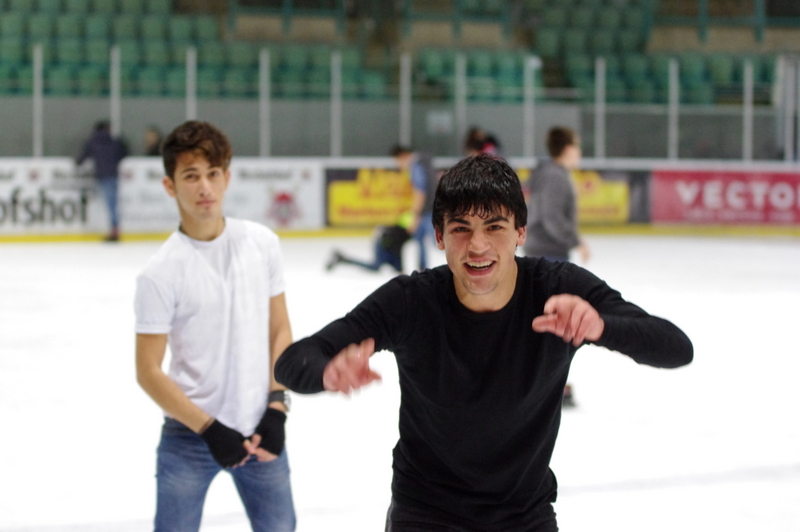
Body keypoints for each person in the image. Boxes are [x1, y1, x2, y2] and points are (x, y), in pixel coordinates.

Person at [275, 154, 693, 532]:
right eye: (461, 229)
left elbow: (676, 347)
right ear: (439, 236)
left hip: (525, 514)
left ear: (520, 232)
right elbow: (293, 361)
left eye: (495, 227)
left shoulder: (558, 288)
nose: (478, 246)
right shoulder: (411, 301)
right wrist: (327, 372)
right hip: (425, 513)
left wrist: (601, 325)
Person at [134, 121, 296, 532]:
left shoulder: (261, 244)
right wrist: (208, 429)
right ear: (170, 185)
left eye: (213, 173)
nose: (204, 187)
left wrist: (277, 406)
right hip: (189, 436)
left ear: (227, 177)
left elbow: (279, 330)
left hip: (261, 426)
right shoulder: (160, 273)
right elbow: (148, 371)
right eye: (191, 176)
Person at [524, 126, 590, 263]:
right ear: (568, 149)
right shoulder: (555, 176)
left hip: (543, 249)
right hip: (547, 251)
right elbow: (552, 217)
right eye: (577, 146)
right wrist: (576, 242)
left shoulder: (548, 172)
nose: (580, 151)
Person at [76, 120, 127, 241]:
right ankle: (114, 229)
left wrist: (77, 162)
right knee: (112, 204)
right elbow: (123, 153)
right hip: (113, 175)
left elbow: (82, 157)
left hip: (103, 175)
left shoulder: (93, 142)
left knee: (110, 204)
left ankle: (114, 231)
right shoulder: (114, 141)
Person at [392, 145, 437, 271]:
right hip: (432, 207)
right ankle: (423, 268)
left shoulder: (416, 167)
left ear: (402, 156)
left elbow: (420, 192)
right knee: (421, 239)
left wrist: (415, 215)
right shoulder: (424, 162)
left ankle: (424, 269)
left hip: (426, 211)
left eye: (397, 161)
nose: (398, 165)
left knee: (434, 241)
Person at [326, 213, 412, 274]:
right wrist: (400, 269)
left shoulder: (401, 228)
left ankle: (342, 259)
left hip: (385, 242)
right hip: (383, 244)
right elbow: (397, 250)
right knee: (375, 266)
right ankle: (342, 258)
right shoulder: (401, 234)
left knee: (379, 266)